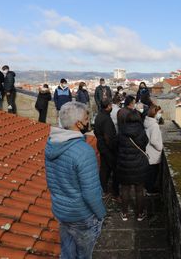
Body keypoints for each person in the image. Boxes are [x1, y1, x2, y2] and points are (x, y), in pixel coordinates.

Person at [45, 101, 106, 259]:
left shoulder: (51, 144)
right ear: (78, 123)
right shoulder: (84, 151)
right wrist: (101, 214)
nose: (88, 122)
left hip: (61, 211)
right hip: (81, 215)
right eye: (87, 118)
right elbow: (90, 192)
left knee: (67, 253)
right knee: (84, 255)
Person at [116, 110, 149, 221]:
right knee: (139, 190)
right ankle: (140, 214)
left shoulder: (121, 130)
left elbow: (117, 144)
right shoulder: (141, 131)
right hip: (139, 164)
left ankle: (124, 213)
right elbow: (145, 143)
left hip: (124, 164)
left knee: (125, 189)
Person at [93, 99, 119, 199]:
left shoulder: (99, 116)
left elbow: (96, 131)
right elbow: (108, 137)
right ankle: (115, 192)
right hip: (108, 148)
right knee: (115, 169)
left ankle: (103, 189)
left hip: (101, 145)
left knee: (104, 168)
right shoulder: (106, 119)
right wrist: (113, 148)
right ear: (108, 106)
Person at [144, 105, 163, 195]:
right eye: (159, 112)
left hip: (148, 151)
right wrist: (160, 148)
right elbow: (154, 140)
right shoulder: (154, 125)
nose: (160, 114)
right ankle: (150, 190)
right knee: (153, 173)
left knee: (149, 173)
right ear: (155, 113)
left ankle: (148, 188)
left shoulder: (147, 122)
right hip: (154, 153)